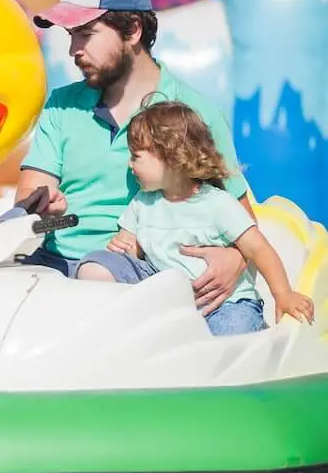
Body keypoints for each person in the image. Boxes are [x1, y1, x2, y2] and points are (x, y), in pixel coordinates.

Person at [16, 0, 255, 316]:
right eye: (71, 36)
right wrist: (47, 210)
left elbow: (243, 222)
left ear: (132, 30)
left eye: (86, 33)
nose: (73, 51)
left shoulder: (196, 114)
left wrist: (234, 258)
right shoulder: (61, 104)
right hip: (56, 268)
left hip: (144, 277)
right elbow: (31, 210)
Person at [76, 101, 314, 335]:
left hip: (223, 304)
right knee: (96, 266)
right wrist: (126, 246)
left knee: (231, 329)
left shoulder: (218, 204)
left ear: (169, 156)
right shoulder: (143, 201)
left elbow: (259, 248)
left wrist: (282, 293)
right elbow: (130, 245)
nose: (129, 165)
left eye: (136, 156)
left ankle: (250, 336)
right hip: (166, 297)